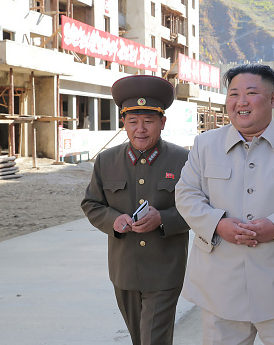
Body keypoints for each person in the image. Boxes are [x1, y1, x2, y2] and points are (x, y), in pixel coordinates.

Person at [175, 64, 274, 345]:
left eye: (251, 93)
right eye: (233, 93)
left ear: (273, 99)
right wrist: (218, 224)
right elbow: (186, 193)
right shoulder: (205, 144)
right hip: (221, 284)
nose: (241, 101)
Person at [81, 76, 190, 345]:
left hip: (165, 268)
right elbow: (91, 203)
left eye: (148, 121)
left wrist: (163, 219)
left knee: (153, 338)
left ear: (162, 123)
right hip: (124, 270)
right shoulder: (107, 160)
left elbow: (197, 208)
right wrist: (113, 220)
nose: (140, 129)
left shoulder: (183, 160)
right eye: (133, 121)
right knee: (140, 339)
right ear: (123, 123)